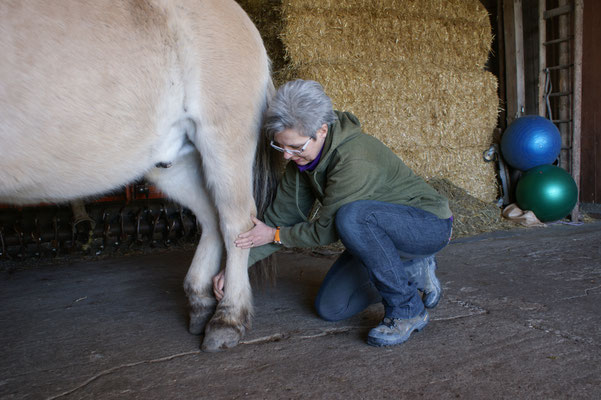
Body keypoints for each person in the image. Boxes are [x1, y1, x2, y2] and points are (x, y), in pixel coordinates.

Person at [213, 79, 453, 347]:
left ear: (322, 130)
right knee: (331, 308)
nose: (287, 156)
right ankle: (413, 268)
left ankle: (408, 309)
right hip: (377, 234)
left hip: (428, 225)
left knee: (351, 217)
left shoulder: (354, 157)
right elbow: (280, 219)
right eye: (281, 147)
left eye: (295, 147)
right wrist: (235, 267)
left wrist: (278, 235)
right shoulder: (301, 160)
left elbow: (327, 229)